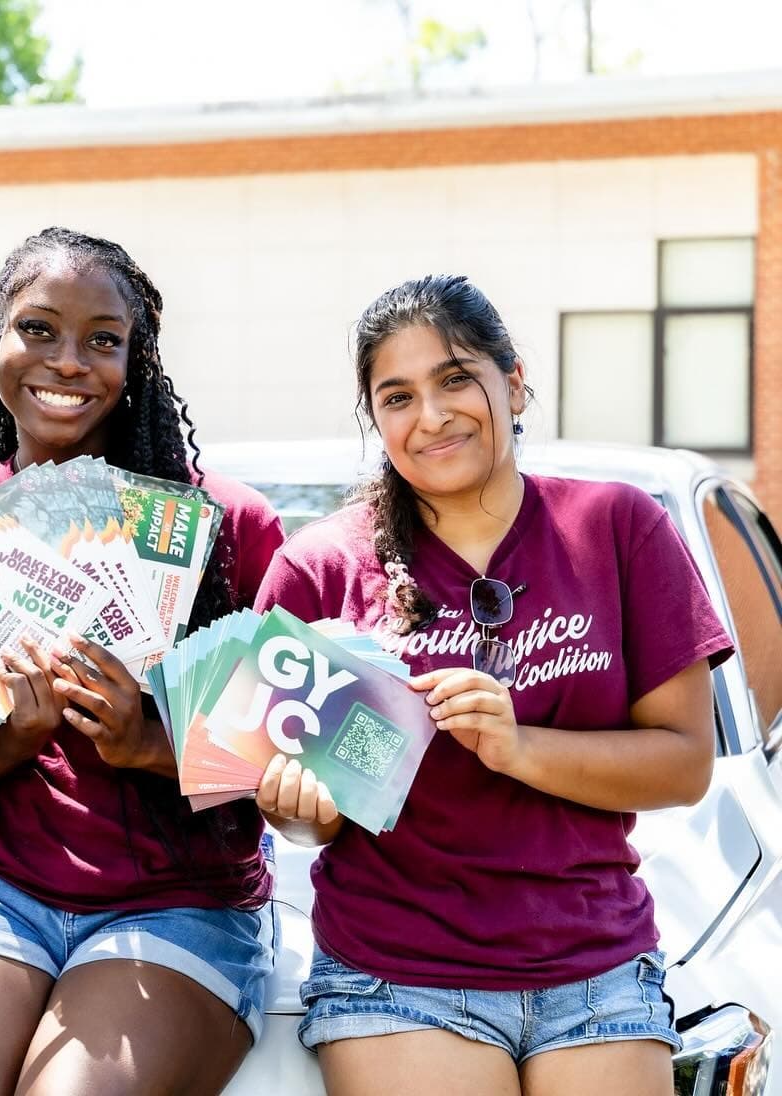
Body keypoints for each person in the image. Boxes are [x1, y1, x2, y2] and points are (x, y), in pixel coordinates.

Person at [254, 274, 733, 1096]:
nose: (431, 416)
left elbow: (685, 765)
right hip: (395, 975)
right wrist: (301, 810)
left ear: (512, 383)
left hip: (598, 968)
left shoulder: (619, 528)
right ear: (377, 422)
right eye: (397, 396)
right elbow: (302, 820)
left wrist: (517, 747)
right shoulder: (320, 567)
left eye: (454, 379)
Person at [0, 227, 286, 1096]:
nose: (69, 362)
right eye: (38, 329)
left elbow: (294, 761)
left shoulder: (225, 525)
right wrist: (14, 739)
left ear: (135, 360)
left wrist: (147, 739)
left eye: (104, 340)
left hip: (181, 902)